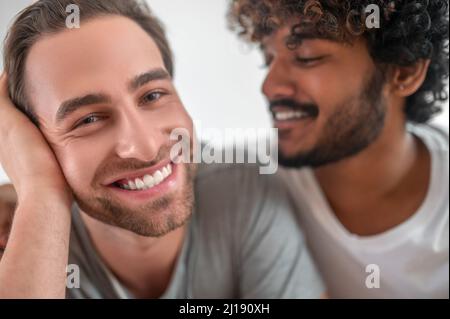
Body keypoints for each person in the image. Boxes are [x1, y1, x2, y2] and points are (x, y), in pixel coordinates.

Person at [0, 0, 323, 298]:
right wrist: (42, 193)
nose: (145, 146)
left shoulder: (243, 191)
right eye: (88, 119)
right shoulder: (16, 237)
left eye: (152, 95)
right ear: (35, 140)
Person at [228, 0, 449, 298]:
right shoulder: (245, 180)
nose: (269, 86)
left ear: (404, 72)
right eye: (268, 58)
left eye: (307, 57)